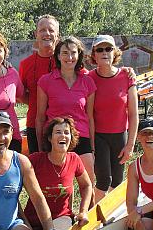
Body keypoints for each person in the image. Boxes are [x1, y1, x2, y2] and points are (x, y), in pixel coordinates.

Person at [36, 36, 97, 186]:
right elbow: (40, 117)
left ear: (79, 55)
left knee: (89, 183)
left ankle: (88, 210)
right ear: (57, 55)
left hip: (81, 137)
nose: (69, 57)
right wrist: (41, 147)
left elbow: (90, 117)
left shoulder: (87, 81)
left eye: (73, 53)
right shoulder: (45, 81)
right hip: (56, 137)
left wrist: (93, 147)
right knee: (61, 184)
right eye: (64, 53)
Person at [87, 35, 139, 203]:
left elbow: (133, 113)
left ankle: (110, 213)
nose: (104, 53)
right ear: (94, 55)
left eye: (108, 49)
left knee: (116, 181)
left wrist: (130, 145)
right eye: (99, 49)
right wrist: (92, 144)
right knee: (103, 180)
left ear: (114, 52)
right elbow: (89, 114)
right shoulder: (89, 78)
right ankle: (97, 215)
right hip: (99, 136)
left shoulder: (127, 76)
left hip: (119, 136)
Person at [24, 117, 92, 230]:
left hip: (61, 219)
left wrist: (83, 211)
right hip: (33, 221)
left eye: (67, 132)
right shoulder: (35, 160)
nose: (63, 135)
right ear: (50, 138)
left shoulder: (74, 159)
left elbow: (87, 185)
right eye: (58, 132)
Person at [18, 15, 60, 153]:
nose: (46, 33)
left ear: (57, 35)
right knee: (38, 169)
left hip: (61, 125)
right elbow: (20, 94)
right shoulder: (26, 64)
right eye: (42, 30)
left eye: (51, 30)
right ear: (36, 34)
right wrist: (36, 103)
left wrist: (121, 71)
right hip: (34, 124)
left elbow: (88, 77)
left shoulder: (66, 60)